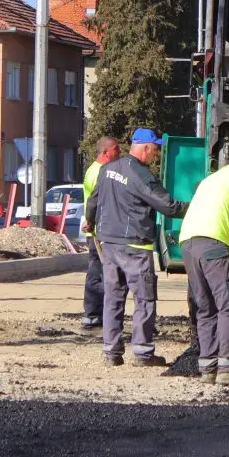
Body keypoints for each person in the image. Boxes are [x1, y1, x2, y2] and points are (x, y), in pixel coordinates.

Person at [91, 128, 188, 367]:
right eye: (155, 150)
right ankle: (143, 353)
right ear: (145, 147)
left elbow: (93, 201)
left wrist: (94, 226)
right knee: (144, 300)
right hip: (135, 245)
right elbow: (168, 207)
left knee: (113, 298)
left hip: (110, 244)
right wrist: (196, 206)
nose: (155, 155)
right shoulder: (141, 175)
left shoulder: (107, 169)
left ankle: (111, 352)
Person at [178, 154, 229, 386]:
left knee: (205, 306)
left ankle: (208, 367)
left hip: (188, 243)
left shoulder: (210, 180)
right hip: (213, 244)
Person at [78, 135, 121, 329]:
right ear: (106, 152)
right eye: (116, 150)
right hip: (98, 232)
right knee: (98, 274)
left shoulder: (97, 170)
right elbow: (97, 202)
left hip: (98, 228)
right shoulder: (99, 172)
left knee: (99, 273)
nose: (119, 153)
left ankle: (96, 313)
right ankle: (93, 314)